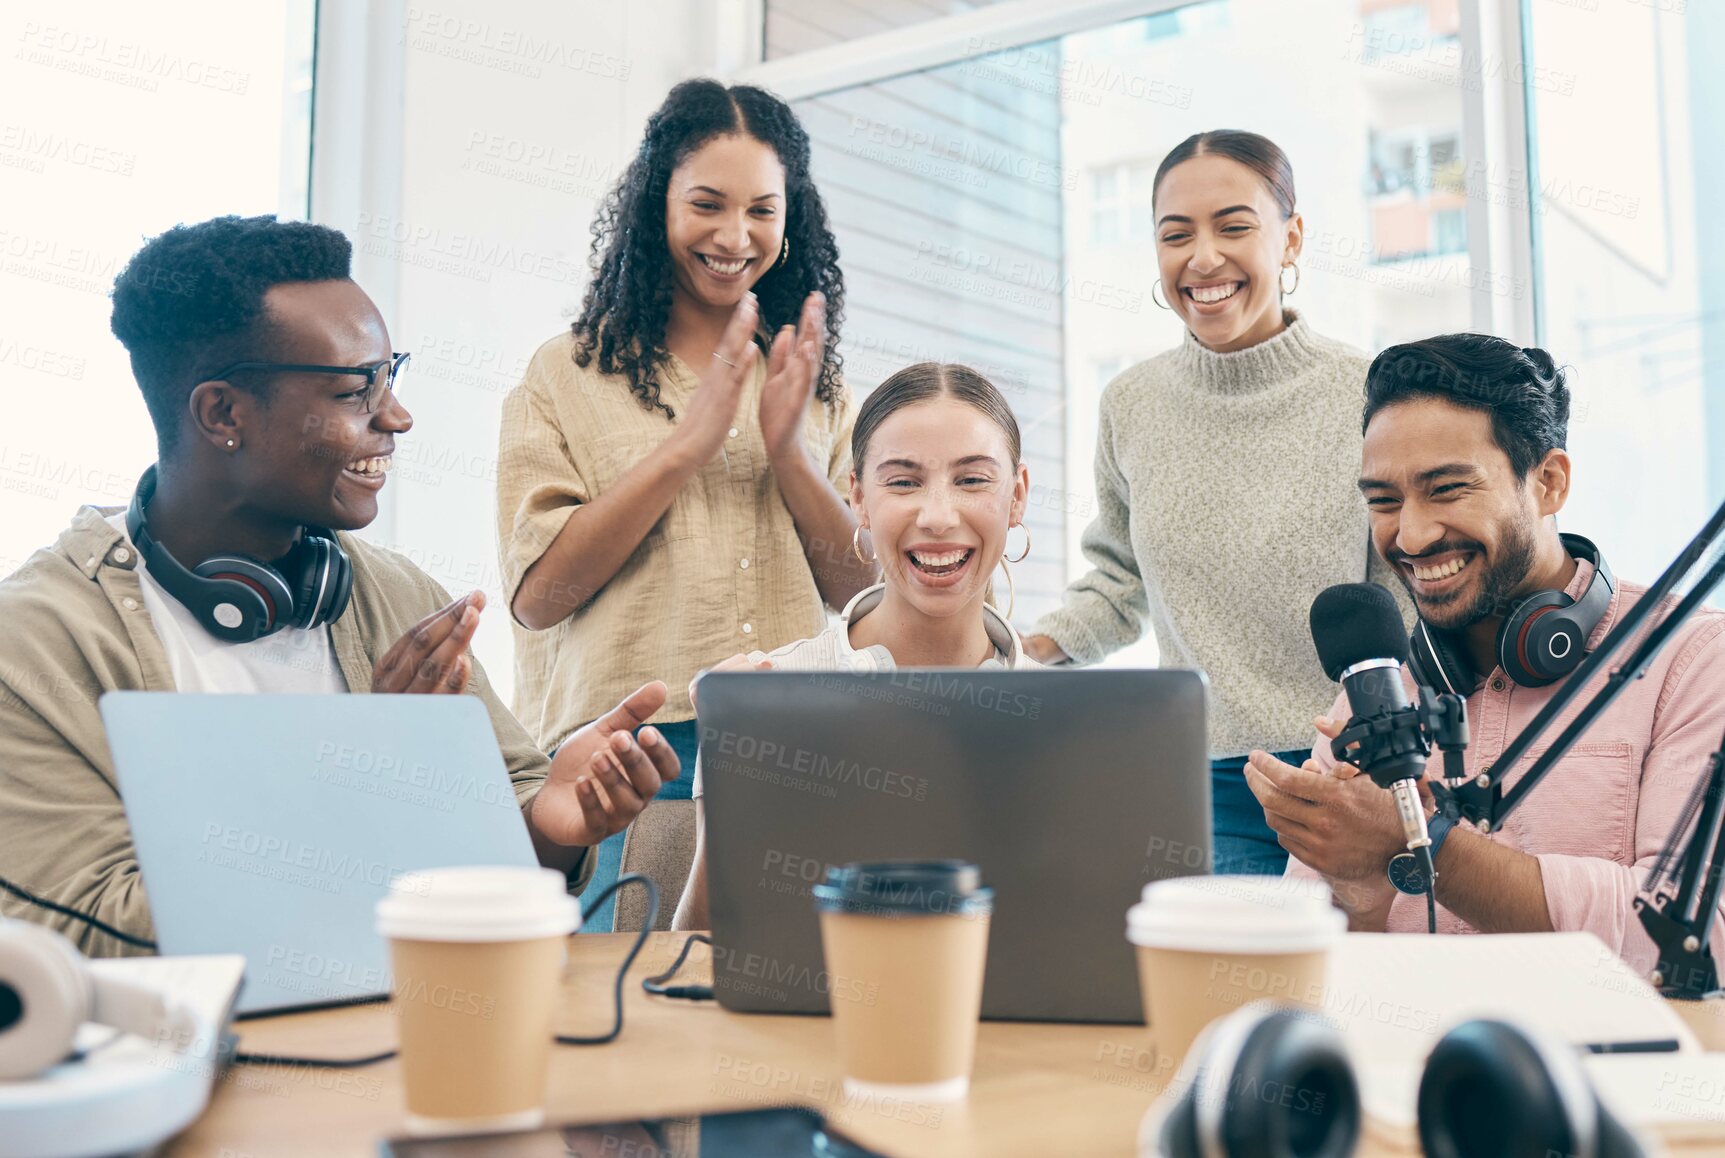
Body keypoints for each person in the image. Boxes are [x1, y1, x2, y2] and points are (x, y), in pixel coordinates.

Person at [0, 216, 681, 956]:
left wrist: (550, 822)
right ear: (222, 412)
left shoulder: (395, 597)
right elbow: (87, 929)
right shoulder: (35, 644)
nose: (397, 416)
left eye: (393, 376)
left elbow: (498, 855)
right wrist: (359, 782)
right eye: (358, 390)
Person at [497, 79, 874, 928]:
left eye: (762, 211)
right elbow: (538, 598)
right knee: (628, 1020)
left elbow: (865, 598)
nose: (734, 237)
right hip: (628, 757)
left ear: (792, 219)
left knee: (783, 1015)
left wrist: (787, 455)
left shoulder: (818, 387)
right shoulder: (565, 374)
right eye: (705, 203)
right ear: (654, 203)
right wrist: (686, 446)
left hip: (793, 750)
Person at [1248, 334, 1725, 971]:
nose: (1410, 535)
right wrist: (1359, 898)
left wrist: (1422, 842)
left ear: (1549, 482)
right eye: (1384, 501)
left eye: (1446, 489)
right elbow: (1306, 986)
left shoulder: (1691, 660)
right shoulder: (1375, 687)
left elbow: (1701, 939)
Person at [1023, 129, 1409, 877]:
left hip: (1353, 770)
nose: (1202, 258)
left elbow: (1407, 588)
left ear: (1289, 239)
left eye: (1233, 226)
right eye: (1175, 235)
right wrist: (1019, 656)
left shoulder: (1370, 394)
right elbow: (1119, 579)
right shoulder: (1130, 404)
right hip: (1205, 781)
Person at [673, 363, 1043, 930]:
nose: (938, 516)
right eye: (903, 481)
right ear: (859, 498)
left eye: (972, 480)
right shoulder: (772, 691)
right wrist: (734, 781)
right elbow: (700, 948)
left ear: (1016, 496)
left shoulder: (1064, 711)